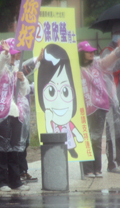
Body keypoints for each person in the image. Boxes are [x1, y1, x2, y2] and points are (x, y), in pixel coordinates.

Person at [0, 38, 31, 192]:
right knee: (2, 149)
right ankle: (1, 182)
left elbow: (25, 91)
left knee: (14, 149)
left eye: (14, 54)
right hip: (1, 115)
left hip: (16, 115)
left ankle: (15, 181)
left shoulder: (16, 70)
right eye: (11, 54)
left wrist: (22, 81)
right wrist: (4, 54)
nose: (14, 57)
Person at [78, 39, 120, 178]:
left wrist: (117, 52)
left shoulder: (97, 63)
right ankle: (88, 169)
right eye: (88, 52)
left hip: (100, 106)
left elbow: (108, 60)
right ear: (81, 54)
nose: (91, 54)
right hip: (85, 108)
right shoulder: (76, 68)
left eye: (92, 52)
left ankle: (97, 169)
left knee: (96, 138)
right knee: (88, 137)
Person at [37, 44, 83, 159]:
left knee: (70, 143)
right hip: (56, 139)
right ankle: (58, 153)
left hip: (68, 137)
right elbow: (48, 131)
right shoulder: (52, 120)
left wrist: (78, 135)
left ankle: (71, 151)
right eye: (51, 91)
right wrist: (48, 119)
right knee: (57, 145)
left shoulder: (68, 121)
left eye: (66, 91)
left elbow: (73, 128)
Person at [101, 23, 120, 173]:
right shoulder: (107, 51)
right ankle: (112, 163)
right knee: (113, 132)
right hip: (111, 97)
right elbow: (108, 68)